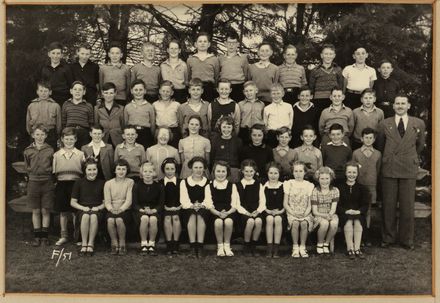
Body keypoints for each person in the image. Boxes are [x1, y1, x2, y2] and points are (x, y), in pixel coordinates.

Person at [376, 94, 426, 250]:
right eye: (397, 103)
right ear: (393, 106)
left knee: (407, 205)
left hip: (408, 168)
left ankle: (406, 240)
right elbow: (380, 145)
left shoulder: (418, 123)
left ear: (408, 106)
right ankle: (388, 238)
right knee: (388, 205)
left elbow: (420, 145)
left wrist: (409, 156)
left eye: (403, 103)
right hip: (390, 167)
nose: (400, 106)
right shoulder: (384, 123)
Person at [23, 124, 55, 247]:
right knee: (36, 210)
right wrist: (31, 174)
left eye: (42, 134)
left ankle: (44, 237)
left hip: (47, 181)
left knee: (45, 210)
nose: (40, 137)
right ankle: (37, 237)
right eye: (37, 134)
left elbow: (53, 165)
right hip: (33, 182)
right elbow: (27, 167)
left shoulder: (50, 150)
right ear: (33, 135)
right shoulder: (28, 150)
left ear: (46, 136)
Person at [53, 127, 85, 246]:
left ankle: (78, 236)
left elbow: (83, 170)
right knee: (63, 211)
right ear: (62, 139)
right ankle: (64, 236)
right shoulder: (56, 155)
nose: (69, 141)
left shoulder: (81, 154)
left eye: (71, 139)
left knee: (75, 211)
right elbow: (54, 172)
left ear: (75, 139)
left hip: (75, 184)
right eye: (66, 139)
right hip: (61, 184)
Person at [352, 127, 381, 246]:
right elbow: (352, 169)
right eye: (366, 138)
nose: (368, 140)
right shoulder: (356, 153)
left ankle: (366, 235)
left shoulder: (378, 154)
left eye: (370, 138)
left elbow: (378, 170)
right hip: (359, 185)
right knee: (357, 209)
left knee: (367, 210)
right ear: (361, 138)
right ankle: (356, 234)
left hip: (371, 185)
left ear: (374, 139)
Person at [70, 158, 105, 256]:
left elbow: (105, 203)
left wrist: (98, 208)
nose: (92, 172)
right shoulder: (79, 183)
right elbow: (73, 202)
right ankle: (84, 243)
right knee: (85, 216)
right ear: (85, 170)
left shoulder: (102, 183)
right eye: (89, 170)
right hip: (83, 209)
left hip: (97, 210)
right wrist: (82, 208)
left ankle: (91, 243)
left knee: (93, 216)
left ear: (97, 170)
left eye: (94, 169)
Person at [204, 161, 239, 257]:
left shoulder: (232, 186)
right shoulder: (209, 186)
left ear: (227, 173)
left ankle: (227, 245)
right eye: (218, 171)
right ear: (214, 172)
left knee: (228, 222)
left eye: (223, 171)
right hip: (214, 213)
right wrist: (218, 213)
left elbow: (235, 205)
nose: (220, 174)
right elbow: (209, 204)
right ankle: (220, 246)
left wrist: (227, 213)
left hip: (229, 212)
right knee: (218, 222)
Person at [179, 157, 210, 257]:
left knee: (200, 216)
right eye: (196, 167)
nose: (198, 170)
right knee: (192, 216)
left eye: (201, 167)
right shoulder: (184, 182)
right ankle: (192, 247)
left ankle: (200, 247)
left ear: (204, 168)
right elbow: (184, 199)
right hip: (188, 208)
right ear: (191, 168)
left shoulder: (208, 182)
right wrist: (192, 206)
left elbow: (208, 199)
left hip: (203, 208)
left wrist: (201, 205)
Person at [338, 162, 369, 259]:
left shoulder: (362, 188)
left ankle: (357, 248)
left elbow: (365, 205)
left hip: (358, 213)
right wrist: (345, 211)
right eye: (349, 172)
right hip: (344, 213)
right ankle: (350, 248)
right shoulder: (340, 187)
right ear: (345, 173)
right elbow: (337, 205)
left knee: (357, 222)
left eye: (354, 172)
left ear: (357, 173)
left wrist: (359, 211)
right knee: (348, 221)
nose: (352, 175)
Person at [283, 161, 315, 258]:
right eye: (295, 171)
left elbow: (310, 204)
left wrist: (305, 213)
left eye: (300, 171)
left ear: (305, 172)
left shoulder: (309, 185)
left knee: (304, 223)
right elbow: (285, 203)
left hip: (305, 212)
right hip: (292, 211)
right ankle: (295, 247)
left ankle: (302, 246)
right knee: (295, 223)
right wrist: (293, 213)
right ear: (292, 172)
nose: (298, 173)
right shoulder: (288, 184)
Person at [132, 162, 164, 255]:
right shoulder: (137, 186)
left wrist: (153, 210)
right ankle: (144, 244)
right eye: (145, 171)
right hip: (140, 211)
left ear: (154, 173)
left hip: (154, 210)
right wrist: (143, 210)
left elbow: (161, 204)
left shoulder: (159, 186)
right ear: (141, 173)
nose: (148, 173)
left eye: (150, 171)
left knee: (153, 219)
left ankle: (151, 244)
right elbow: (135, 203)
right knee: (145, 218)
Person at [236, 159, 266, 256]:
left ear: (255, 172)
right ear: (242, 171)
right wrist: (246, 213)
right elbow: (236, 204)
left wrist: (257, 211)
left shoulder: (259, 184)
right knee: (250, 221)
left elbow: (262, 201)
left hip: (256, 211)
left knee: (258, 221)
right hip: (243, 212)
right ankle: (247, 245)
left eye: (251, 171)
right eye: (246, 171)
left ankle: (254, 245)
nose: (249, 173)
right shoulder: (237, 185)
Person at [104, 159, 134, 255]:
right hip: (111, 209)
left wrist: (121, 209)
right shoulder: (108, 183)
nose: (121, 171)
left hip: (125, 210)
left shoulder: (130, 182)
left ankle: (122, 243)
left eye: (123, 169)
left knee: (119, 220)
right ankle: (114, 243)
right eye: (119, 169)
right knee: (110, 220)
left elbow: (129, 200)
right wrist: (111, 209)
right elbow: (107, 201)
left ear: (127, 170)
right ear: (114, 170)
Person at [308, 43, 344, 117]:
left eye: (331, 54)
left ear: (334, 56)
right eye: (326, 54)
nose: (328, 56)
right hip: (318, 100)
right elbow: (311, 87)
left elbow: (340, 86)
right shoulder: (315, 70)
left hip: (334, 100)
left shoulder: (338, 69)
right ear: (321, 55)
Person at [311, 166, 339, 255]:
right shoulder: (315, 191)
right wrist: (324, 216)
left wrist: (329, 215)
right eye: (322, 178)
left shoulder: (335, 190)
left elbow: (333, 208)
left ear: (331, 178)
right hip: (318, 214)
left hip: (330, 213)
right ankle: (320, 244)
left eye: (327, 178)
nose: (324, 181)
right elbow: (314, 211)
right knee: (324, 223)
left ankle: (326, 243)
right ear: (318, 179)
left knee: (334, 223)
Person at [26, 81, 61, 150]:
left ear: (50, 92)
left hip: (50, 135)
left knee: (50, 154)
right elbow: (28, 123)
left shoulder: (56, 106)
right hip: (35, 134)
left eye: (46, 91)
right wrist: (32, 133)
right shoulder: (31, 106)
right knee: (35, 154)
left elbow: (59, 124)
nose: (43, 93)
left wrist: (57, 135)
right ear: (37, 92)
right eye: (41, 91)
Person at [187, 32, 220, 102]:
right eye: (200, 41)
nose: (202, 43)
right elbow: (188, 76)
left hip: (209, 89)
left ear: (209, 44)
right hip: (195, 88)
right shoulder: (190, 59)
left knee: (208, 109)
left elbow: (216, 77)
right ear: (196, 44)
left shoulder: (214, 59)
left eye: (205, 41)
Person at [123, 79, 155, 150]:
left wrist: (151, 136)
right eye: (136, 90)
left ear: (145, 91)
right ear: (131, 91)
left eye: (140, 90)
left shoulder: (150, 106)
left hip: (145, 134)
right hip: (132, 134)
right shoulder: (128, 107)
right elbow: (125, 123)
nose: (138, 92)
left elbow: (152, 124)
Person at [61, 81, 94, 149]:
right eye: (75, 89)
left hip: (83, 133)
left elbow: (91, 123)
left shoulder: (88, 105)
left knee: (83, 154)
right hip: (69, 133)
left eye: (80, 90)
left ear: (84, 92)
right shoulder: (66, 104)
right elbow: (63, 122)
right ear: (71, 91)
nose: (77, 92)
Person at [210, 116, 242, 183]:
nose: (226, 130)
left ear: (232, 128)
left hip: (233, 170)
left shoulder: (238, 141)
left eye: (229, 127)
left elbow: (240, 157)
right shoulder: (215, 140)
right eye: (224, 127)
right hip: (219, 170)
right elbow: (212, 157)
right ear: (220, 127)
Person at [218, 31, 249, 102]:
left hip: (238, 87)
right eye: (229, 43)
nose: (231, 45)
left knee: (238, 109)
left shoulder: (243, 58)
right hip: (224, 87)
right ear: (225, 44)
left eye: (234, 43)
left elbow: (246, 75)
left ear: (238, 44)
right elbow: (217, 74)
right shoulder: (220, 58)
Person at [263, 162, 285, 258]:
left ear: (279, 174)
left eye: (275, 173)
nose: (273, 176)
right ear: (267, 173)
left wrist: (281, 211)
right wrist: (267, 211)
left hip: (280, 212)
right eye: (271, 173)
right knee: (270, 219)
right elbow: (261, 202)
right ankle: (269, 247)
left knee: (278, 219)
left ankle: (276, 248)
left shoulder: (283, 186)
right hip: (267, 212)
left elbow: (286, 202)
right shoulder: (264, 186)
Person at [160, 158, 182, 255]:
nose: (169, 171)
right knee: (168, 218)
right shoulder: (160, 183)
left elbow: (184, 197)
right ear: (163, 170)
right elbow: (159, 199)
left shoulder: (181, 182)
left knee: (176, 217)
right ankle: (169, 244)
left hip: (178, 208)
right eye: (167, 169)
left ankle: (176, 244)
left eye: (172, 169)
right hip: (164, 208)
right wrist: (165, 207)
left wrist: (178, 207)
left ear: (175, 169)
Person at [94, 82, 124, 148]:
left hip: (117, 139)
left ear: (115, 93)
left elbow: (123, 125)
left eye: (111, 93)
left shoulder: (121, 108)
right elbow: (96, 124)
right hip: (103, 138)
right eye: (106, 93)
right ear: (102, 93)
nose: (108, 95)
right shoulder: (97, 108)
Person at [263, 83, 294, 148]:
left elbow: (291, 121)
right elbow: (265, 123)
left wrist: (287, 132)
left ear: (283, 94)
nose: (276, 96)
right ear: (270, 95)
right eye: (273, 94)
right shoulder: (267, 108)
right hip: (272, 134)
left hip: (284, 134)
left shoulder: (288, 106)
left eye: (278, 93)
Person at [153, 80, 181, 148]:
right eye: (163, 91)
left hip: (172, 131)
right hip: (159, 131)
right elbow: (153, 120)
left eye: (168, 91)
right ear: (160, 91)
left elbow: (180, 120)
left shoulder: (176, 105)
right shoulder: (155, 104)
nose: (165, 93)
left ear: (172, 93)